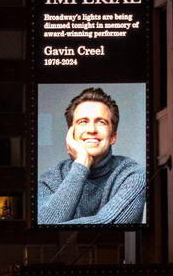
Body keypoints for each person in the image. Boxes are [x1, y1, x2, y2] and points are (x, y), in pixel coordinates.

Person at [37, 87, 146, 224]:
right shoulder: (51, 178)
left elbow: (108, 225)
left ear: (113, 137)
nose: (92, 130)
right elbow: (44, 225)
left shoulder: (133, 175)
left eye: (101, 122)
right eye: (83, 121)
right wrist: (82, 165)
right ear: (71, 134)